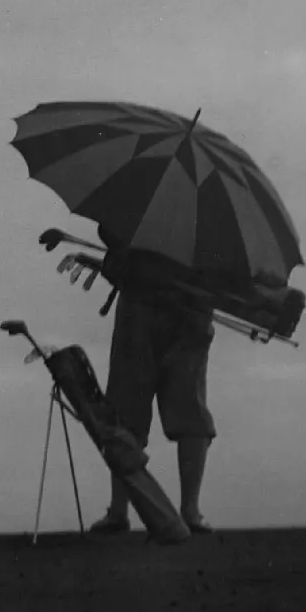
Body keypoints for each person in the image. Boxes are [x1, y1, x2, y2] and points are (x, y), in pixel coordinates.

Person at [90, 230, 216, 536]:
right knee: (189, 411)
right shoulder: (213, 211)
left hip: (147, 314)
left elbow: (114, 246)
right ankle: (190, 511)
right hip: (191, 315)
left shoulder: (139, 199)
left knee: (125, 410)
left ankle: (120, 511)